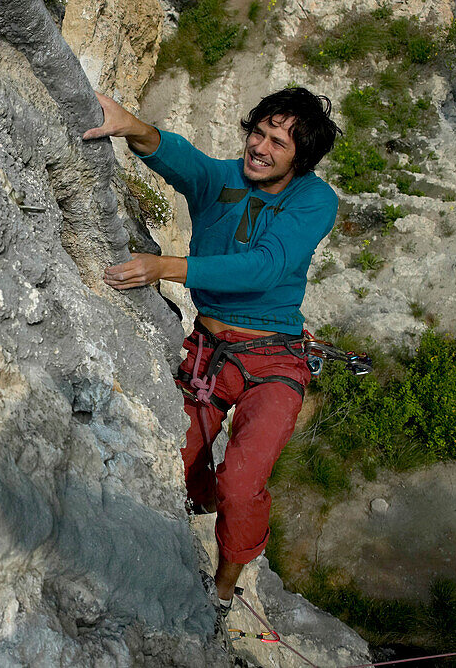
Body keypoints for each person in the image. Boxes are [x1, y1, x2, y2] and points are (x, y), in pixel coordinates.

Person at [83, 87, 342, 613]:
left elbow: (267, 266)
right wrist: (134, 127)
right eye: (259, 132)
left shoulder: (314, 201)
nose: (261, 147)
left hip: (274, 360)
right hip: (210, 352)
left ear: (301, 160)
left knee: (242, 483)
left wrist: (169, 267)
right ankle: (203, 503)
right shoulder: (226, 178)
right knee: (177, 470)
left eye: (278, 143)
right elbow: (189, 164)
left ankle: (224, 588)